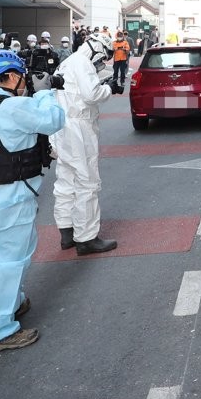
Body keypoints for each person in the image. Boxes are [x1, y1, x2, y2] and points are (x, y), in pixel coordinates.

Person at [0, 49, 65, 353]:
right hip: (8, 198)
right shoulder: (11, 107)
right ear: (13, 75)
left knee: (0, 256)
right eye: (22, 77)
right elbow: (53, 120)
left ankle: (13, 303)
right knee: (5, 263)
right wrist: (44, 92)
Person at [50, 33, 122, 255]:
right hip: (78, 128)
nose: (101, 63)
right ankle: (87, 238)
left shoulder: (67, 62)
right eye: (103, 58)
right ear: (98, 50)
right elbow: (91, 94)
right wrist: (109, 88)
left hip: (60, 126)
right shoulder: (82, 63)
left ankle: (67, 232)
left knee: (66, 180)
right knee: (87, 181)